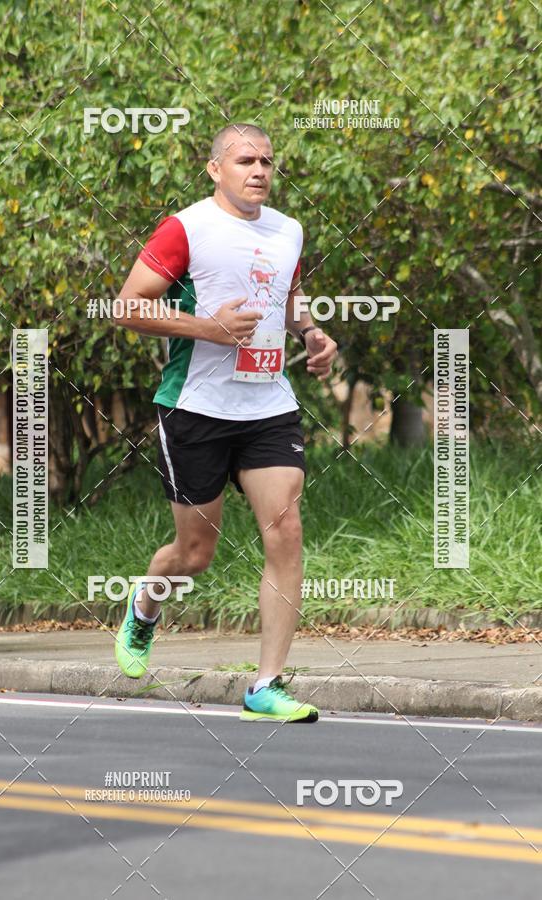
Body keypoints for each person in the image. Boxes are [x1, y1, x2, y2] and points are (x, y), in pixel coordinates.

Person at [113, 123, 337, 722]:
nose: (259, 170)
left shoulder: (288, 229)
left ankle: (266, 686)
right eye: (245, 160)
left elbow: (286, 296)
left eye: (267, 161)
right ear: (216, 169)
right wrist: (208, 329)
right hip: (196, 407)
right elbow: (127, 305)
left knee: (286, 530)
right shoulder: (186, 228)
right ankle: (145, 605)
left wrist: (310, 332)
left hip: (267, 405)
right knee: (194, 553)